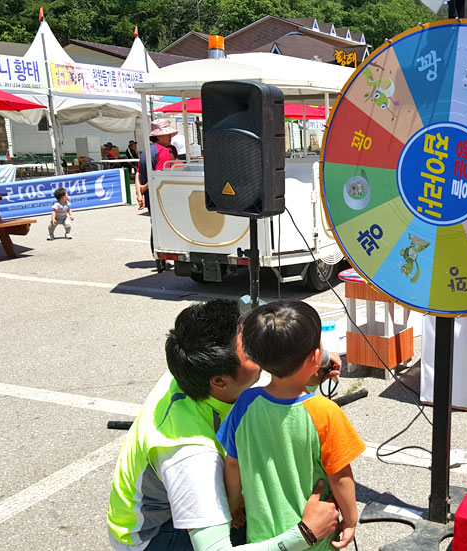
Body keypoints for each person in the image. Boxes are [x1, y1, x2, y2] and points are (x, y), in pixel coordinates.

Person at [107, 299, 342, 551]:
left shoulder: (193, 364)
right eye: (252, 351)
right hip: (154, 537)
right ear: (220, 381)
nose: (260, 345)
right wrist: (304, 533)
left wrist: (316, 360)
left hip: (174, 505)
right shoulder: (191, 456)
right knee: (279, 520)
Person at [217, 301, 365, 550]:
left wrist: (234, 504)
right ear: (316, 357)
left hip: (264, 538)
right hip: (314, 539)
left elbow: (233, 463)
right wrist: (350, 520)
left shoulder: (244, 404)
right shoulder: (326, 413)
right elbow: (340, 477)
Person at [135, 120, 176, 271]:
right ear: (158, 136)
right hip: (160, 194)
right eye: (166, 134)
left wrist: (140, 192)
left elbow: (138, 173)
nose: (170, 136)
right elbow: (159, 175)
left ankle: (157, 257)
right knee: (164, 225)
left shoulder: (147, 150)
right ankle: (162, 257)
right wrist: (144, 189)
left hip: (150, 196)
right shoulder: (163, 151)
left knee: (155, 225)